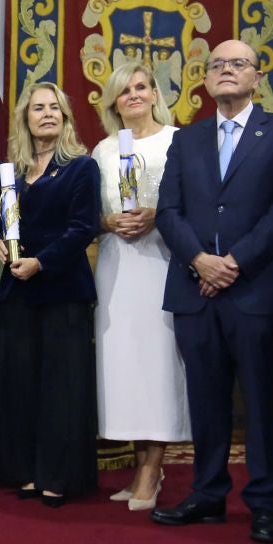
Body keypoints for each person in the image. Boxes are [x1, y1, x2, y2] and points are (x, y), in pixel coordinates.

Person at [150, 41, 273, 543]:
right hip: (195, 288)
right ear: (206, 79)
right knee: (206, 399)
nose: (225, 71)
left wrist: (235, 262)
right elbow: (167, 210)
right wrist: (199, 260)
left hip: (254, 286)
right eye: (216, 65)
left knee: (261, 401)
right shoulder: (187, 140)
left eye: (237, 64)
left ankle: (264, 503)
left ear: (257, 77)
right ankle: (208, 493)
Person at [0, 82, 100, 507]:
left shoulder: (81, 167)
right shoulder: (13, 173)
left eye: (55, 107)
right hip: (18, 292)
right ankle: (29, 471)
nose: (47, 114)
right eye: (38, 108)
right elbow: (4, 226)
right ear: (26, 118)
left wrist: (42, 262)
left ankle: (58, 476)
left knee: (61, 387)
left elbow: (82, 228)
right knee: (24, 385)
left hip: (62, 290)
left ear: (66, 117)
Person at [90, 60, 189, 511]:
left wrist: (157, 215)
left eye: (142, 87)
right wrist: (106, 221)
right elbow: (89, 213)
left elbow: (194, 202)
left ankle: (153, 468)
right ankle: (140, 466)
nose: (134, 95)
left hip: (162, 262)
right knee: (124, 368)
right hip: (117, 265)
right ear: (113, 101)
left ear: (155, 94)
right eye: (124, 90)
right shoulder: (104, 151)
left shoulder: (178, 141)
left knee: (158, 366)